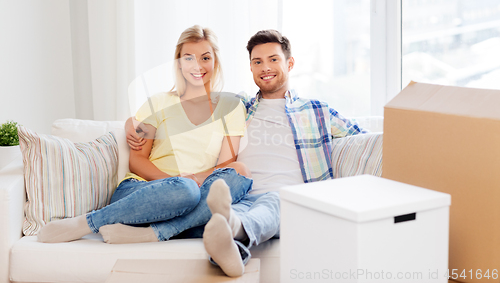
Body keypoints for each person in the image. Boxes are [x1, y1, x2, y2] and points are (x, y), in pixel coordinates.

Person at [126, 29, 367, 277]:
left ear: (290, 63)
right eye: (257, 62)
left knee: (273, 201)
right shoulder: (238, 106)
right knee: (221, 218)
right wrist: (130, 122)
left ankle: (234, 231)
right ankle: (231, 245)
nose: (265, 67)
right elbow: (183, 106)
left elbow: (367, 141)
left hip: (290, 198)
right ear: (250, 68)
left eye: (273, 59)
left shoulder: (317, 110)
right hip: (240, 197)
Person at [37, 25, 253, 244]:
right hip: (143, 192)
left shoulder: (232, 107)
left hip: (198, 189)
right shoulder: (157, 102)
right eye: (188, 58)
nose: (197, 65)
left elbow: (225, 166)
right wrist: (178, 182)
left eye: (205, 58)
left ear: (215, 60)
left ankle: (155, 232)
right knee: (186, 192)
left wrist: (195, 181)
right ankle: (88, 222)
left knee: (240, 173)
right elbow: (137, 160)